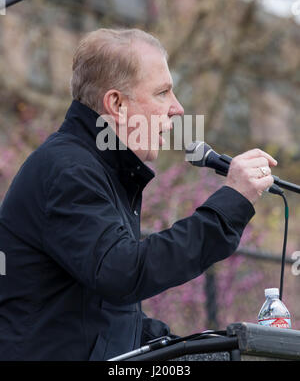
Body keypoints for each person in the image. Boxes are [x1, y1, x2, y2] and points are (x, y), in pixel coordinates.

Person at [0, 28, 276, 361]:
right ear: (116, 104)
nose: (177, 108)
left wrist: (192, 351)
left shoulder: (99, 169)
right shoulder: (69, 170)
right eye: (163, 92)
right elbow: (124, 273)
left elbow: (105, 316)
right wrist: (232, 200)